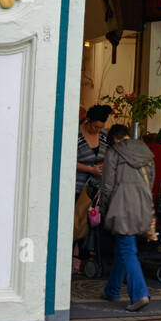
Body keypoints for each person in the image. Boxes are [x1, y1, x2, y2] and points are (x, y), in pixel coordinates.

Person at [100, 123, 155, 311]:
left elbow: (107, 185)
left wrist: (104, 209)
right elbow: (152, 180)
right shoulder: (146, 151)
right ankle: (112, 289)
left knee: (127, 249)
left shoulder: (114, 152)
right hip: (143, 204)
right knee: (123, 248)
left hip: (121, 205)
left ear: (114, 139)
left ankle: (140, 294)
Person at [73, 104, 110, 274]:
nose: (97, 130)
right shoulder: (76, 134)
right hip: (78, 186)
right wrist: (90, 169)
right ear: (88, 121)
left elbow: (109, 155)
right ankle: (73, 258)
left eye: (101, 127)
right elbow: (67, 159)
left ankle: (85, 259)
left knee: (92, 224)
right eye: (95, 126)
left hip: (97, 189)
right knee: (77, 222)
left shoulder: (104, 136)